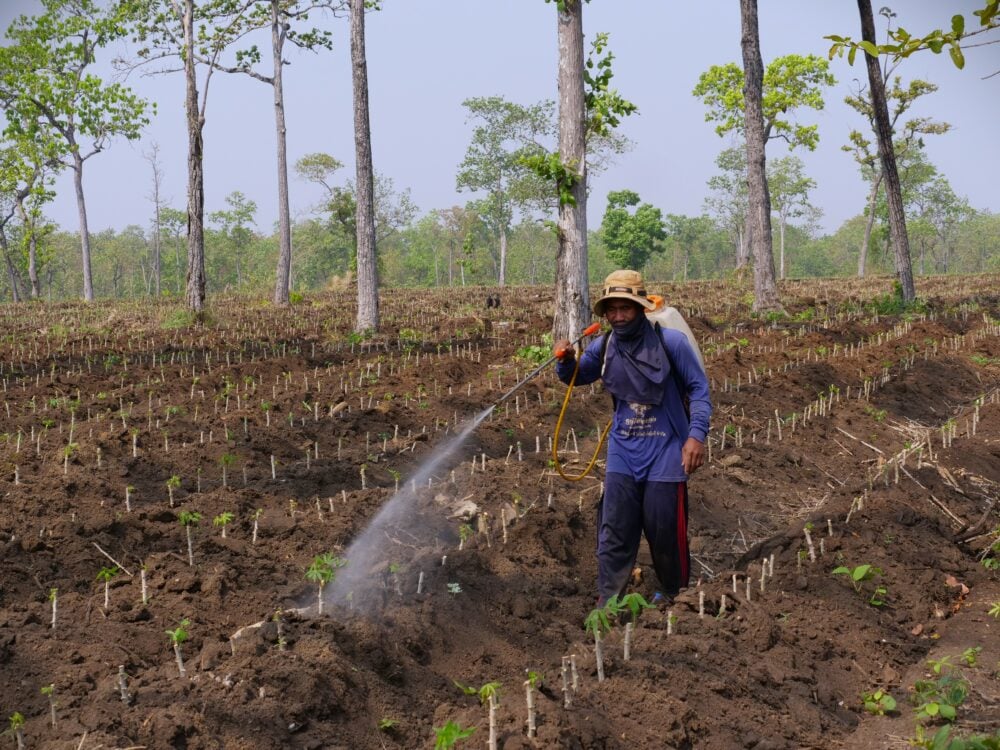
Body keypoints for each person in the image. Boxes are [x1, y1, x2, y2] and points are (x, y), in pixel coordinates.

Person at [553, 269, 712, 605]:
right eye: (612, 309)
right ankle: (608, 601)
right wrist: (566, 362)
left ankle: (673, 594)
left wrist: (696, 436)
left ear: (641, 308)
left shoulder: (671, 343)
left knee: (663, 528)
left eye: (625, 308)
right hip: (624, 447)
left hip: (667, 446)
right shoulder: (605, 344)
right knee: (614, 528)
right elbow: (579, 377)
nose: (618, 316)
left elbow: (699, 388)